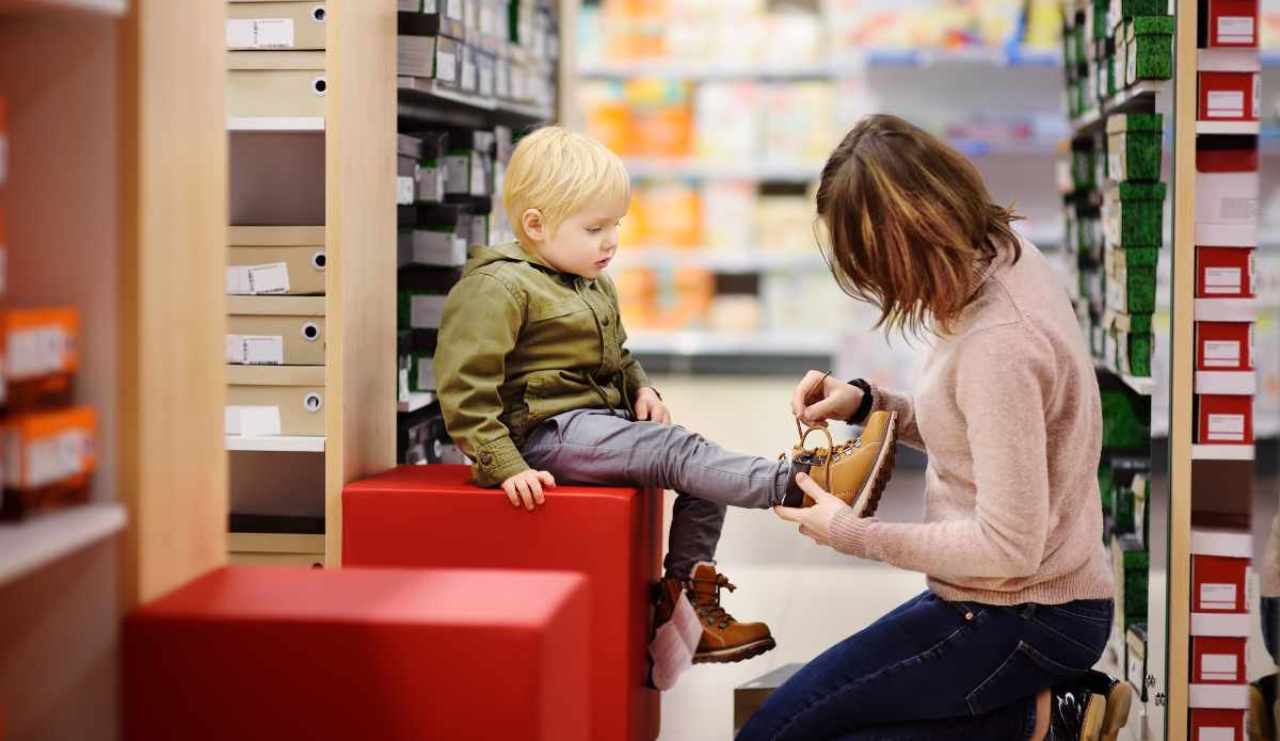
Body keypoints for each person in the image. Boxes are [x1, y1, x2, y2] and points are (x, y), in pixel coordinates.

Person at [433, 126, 896, 667]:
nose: (611, 242)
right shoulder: (498, 287)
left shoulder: (589, 281)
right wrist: (505, 464)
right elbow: (464, 388)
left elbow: (618, 354)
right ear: (535, 225)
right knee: (679, 453)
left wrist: (641, 388)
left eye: (616, 226)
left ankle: (686, 609)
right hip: (542, 436)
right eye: (595, 228)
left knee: (701, 472)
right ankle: (800, 482)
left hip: (593, 425)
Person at [737, 114, 1130, 741]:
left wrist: (849, 532)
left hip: (1025, 614)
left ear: (911, 244)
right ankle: (1044, 717)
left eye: (875, 266)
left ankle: (1040, 720)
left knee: (777, 734)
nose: (879, 288)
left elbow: (1008, 548)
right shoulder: (998, 256)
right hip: (1015, 598)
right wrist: (869, 404)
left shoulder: (998, 343)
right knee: (797, 723)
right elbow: (979, 431)